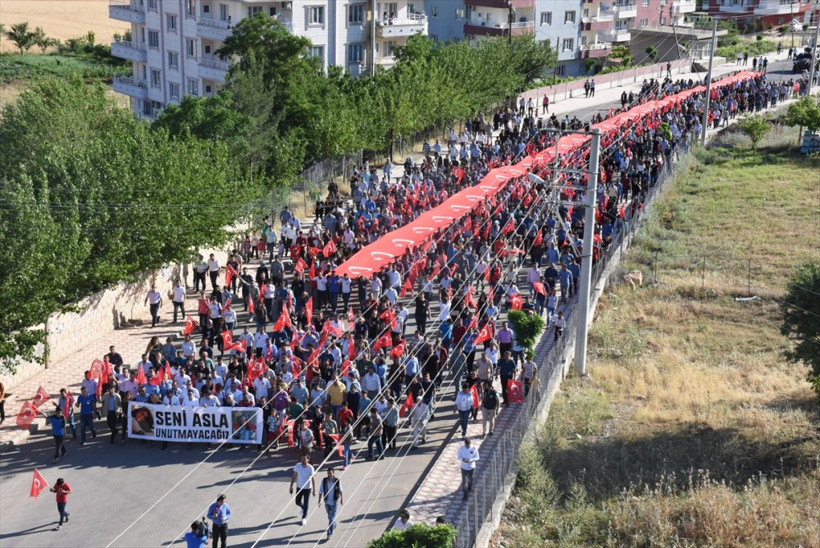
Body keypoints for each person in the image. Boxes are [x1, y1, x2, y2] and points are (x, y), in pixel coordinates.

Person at [289, 454, 316, 526]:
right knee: (297, 502)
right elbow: (294, 476)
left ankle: (304, 517)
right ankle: (303, 508)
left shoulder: (310, 468)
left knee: (306, 502)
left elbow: (313, 479)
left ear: (308, 460)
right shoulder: (298, 466)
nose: (302, 460)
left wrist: (314, 490)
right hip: (299, 487)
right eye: (302, 459)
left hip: (307, 488)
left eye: (304, 459)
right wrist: (291, 486)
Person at [318, 467, 344, 540]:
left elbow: (341, 490)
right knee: (330, 517)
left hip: (334, 502)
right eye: (328, 473)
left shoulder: (337, 481)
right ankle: (334, 524)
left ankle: (329, 533)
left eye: (330, 473)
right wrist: (319, 500)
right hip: (327, 502)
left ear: (333, 473)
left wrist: (342, 499)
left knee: (331, 518)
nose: (329, 474)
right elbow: (321, 491)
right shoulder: (324, 480)